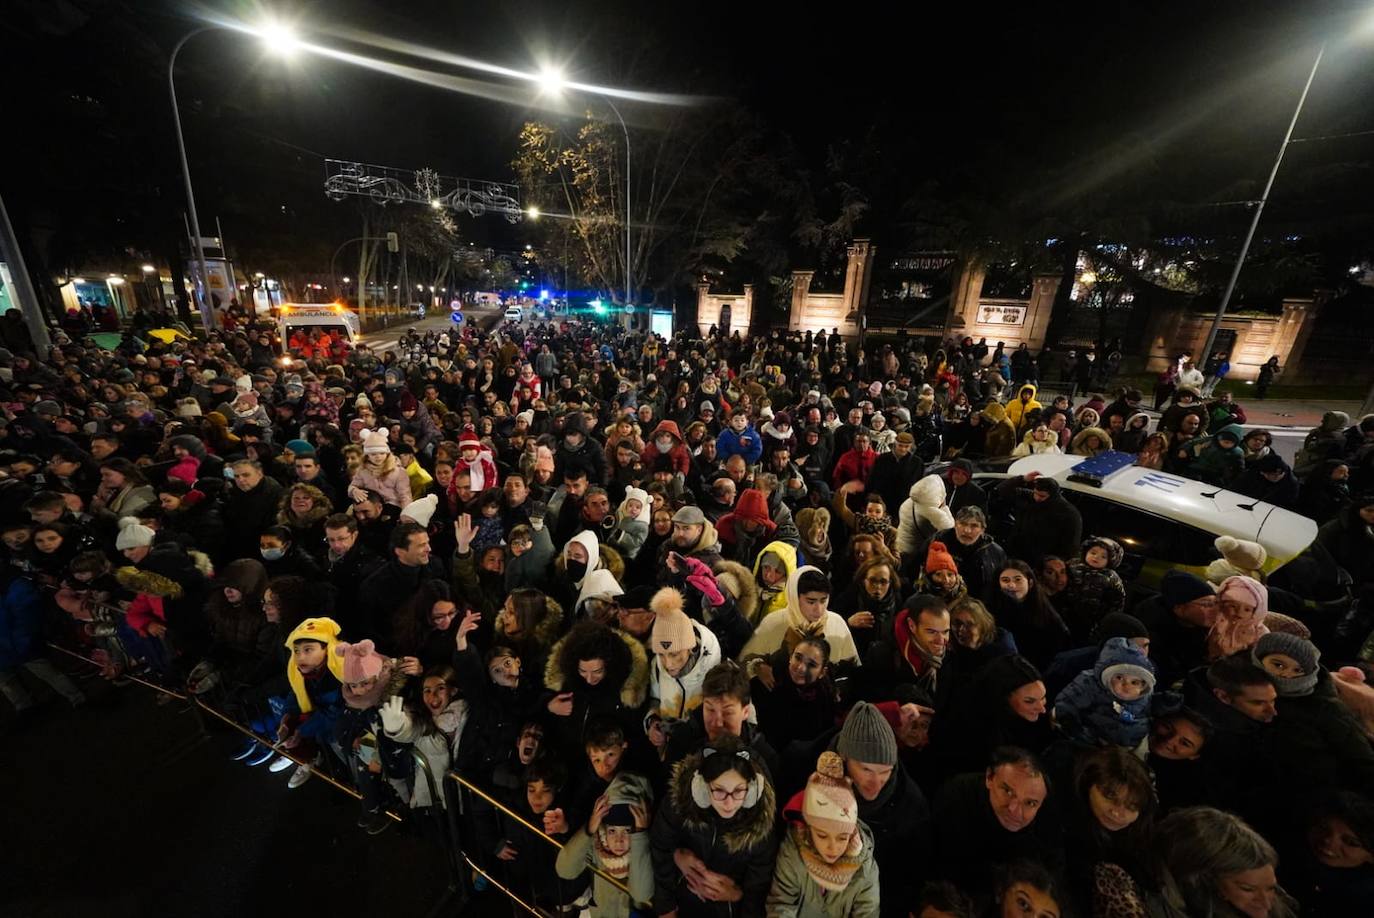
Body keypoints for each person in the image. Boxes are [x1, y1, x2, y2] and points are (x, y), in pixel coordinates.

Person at [649, 735, 778, 917]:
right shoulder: (678, 805)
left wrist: (737, 895)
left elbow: (759, 888)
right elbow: (660, 845)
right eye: (719, 790)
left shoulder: (760, 827)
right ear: (701, 788)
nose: (729, 802)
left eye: (739, 791)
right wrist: (666, 908)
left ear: (752, 792)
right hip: (682, 901)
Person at [933, 746, 1064, 897]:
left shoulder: (1046, 834)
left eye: (1030, 803)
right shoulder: (956, 797)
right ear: (989, 777)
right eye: (1007, 791)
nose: (1014, 810)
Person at [766, 751, 881, 917]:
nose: (833, 847)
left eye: (842, 838)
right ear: (809, 829)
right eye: (822, 836)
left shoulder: (865, 868)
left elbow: (867, 913)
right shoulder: (793, 854)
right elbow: (781, 904)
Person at [1052, 637, 1156, 752]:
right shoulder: (1089, 684)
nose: (1126, 686)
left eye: (1134, 682)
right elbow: (1066, 704)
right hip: (1095, 743)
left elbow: (1157, 708)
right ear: (1108, 676)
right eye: (1119, 678)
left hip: (1133, 746)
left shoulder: (1146, 696)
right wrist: (1082, 735)